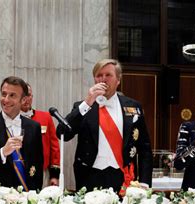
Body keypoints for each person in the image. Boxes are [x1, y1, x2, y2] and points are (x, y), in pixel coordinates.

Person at [56, 59, 152, 193]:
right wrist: (88, 101)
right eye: (99, 75)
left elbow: (145, 148)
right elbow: (63, 133)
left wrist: (145, 182)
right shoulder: (83, 106)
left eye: (108, 75)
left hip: (123, 175)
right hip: (89, 175)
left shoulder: (133, 106)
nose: (103, 79)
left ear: (118, 80)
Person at [21, 83, 60, 186]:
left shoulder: (45, 117)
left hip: (41, 171)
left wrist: (54, 175)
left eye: (28, 95)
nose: (26, 99)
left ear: (32, 97)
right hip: (18, 170)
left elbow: (54, 147)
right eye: (23, 95)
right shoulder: (11, 120)